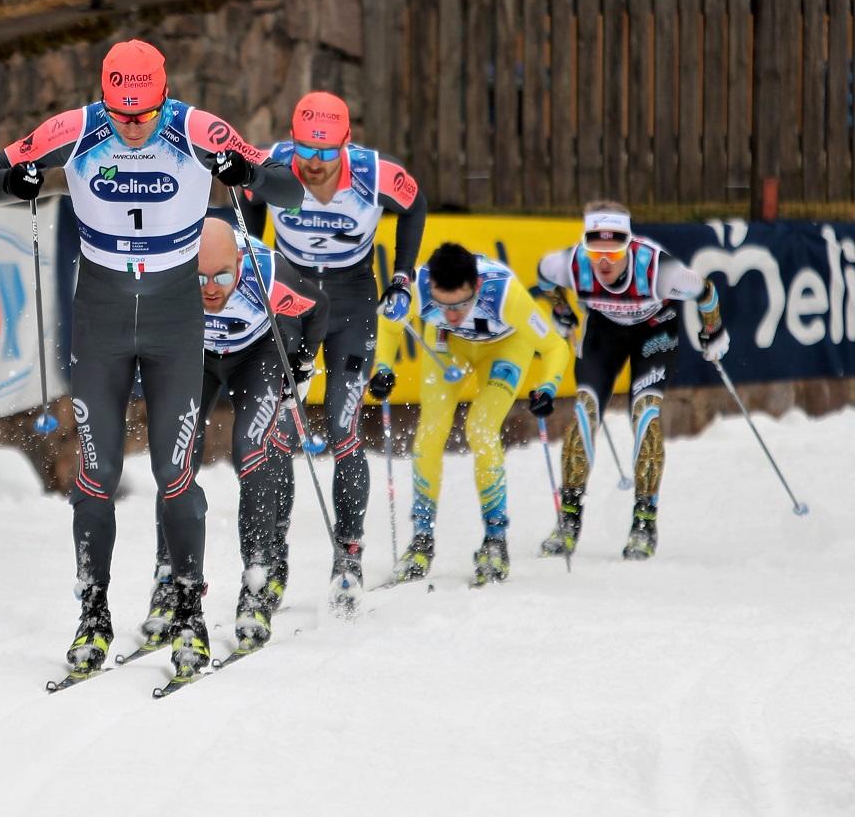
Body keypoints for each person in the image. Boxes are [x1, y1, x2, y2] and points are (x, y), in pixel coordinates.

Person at [0, 39, 304, 678]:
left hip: (176, 319)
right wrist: (14, 179)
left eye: (142, 112)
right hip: (103, 315)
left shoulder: (196, 128)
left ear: (162, 96)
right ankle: (92, 614)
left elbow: (287, 186)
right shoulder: (76, 129)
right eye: (121, 113)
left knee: (177, 475)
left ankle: (189, 614)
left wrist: (245, 172)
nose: (131, 126)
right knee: (98, 474)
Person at [241, 91, 426, 605]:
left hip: (350, 301)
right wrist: (255, 255)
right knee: (277, 429)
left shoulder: (375, 172)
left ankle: (348, 555)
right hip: (291, 298)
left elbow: (416, 205)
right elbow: (246, 200)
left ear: (346, 143)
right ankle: (272, 560)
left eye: (326, 153)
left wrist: (403, 279)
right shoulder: (273, 164)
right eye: (305, 151)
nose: (314, 164)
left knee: (345, 428)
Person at [145, 218, 328, 649]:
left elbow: (318, 306)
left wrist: (302, 362)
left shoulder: (269, 274)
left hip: (256, 355)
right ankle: (169, 578)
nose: (210, 288)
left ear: (239, 264)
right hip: (197, 355)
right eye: (200, 278)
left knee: (251, 449)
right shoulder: (168, 268)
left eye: (222, 277)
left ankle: (257, 580)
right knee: (177, 457)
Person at [534, 200, 729, 560]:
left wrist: (713, 331)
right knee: (584, 410)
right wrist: (562, 311)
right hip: (604, 333)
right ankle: (569, 519)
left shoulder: (659, 270)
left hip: (654, 334)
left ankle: (644, 521)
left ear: (629, 244)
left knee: (645, 415)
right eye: (596, 252)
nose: (604, 262)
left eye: (615, 251)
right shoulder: (570, 263)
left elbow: (706, 292)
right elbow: (544, 276)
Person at [372, 242, 570, 586]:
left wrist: (549, 387)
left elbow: (555, 346)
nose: (451, 313)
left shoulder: (505, 295)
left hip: (505, 349)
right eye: (442, 304)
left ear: (476, 288)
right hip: (450, 347)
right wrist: (384, 367)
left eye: (461, 305)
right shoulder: (417, 287)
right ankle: (422, 539)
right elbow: (389, 324)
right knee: (430, 431)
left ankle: (495, 540)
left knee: (481, 427)